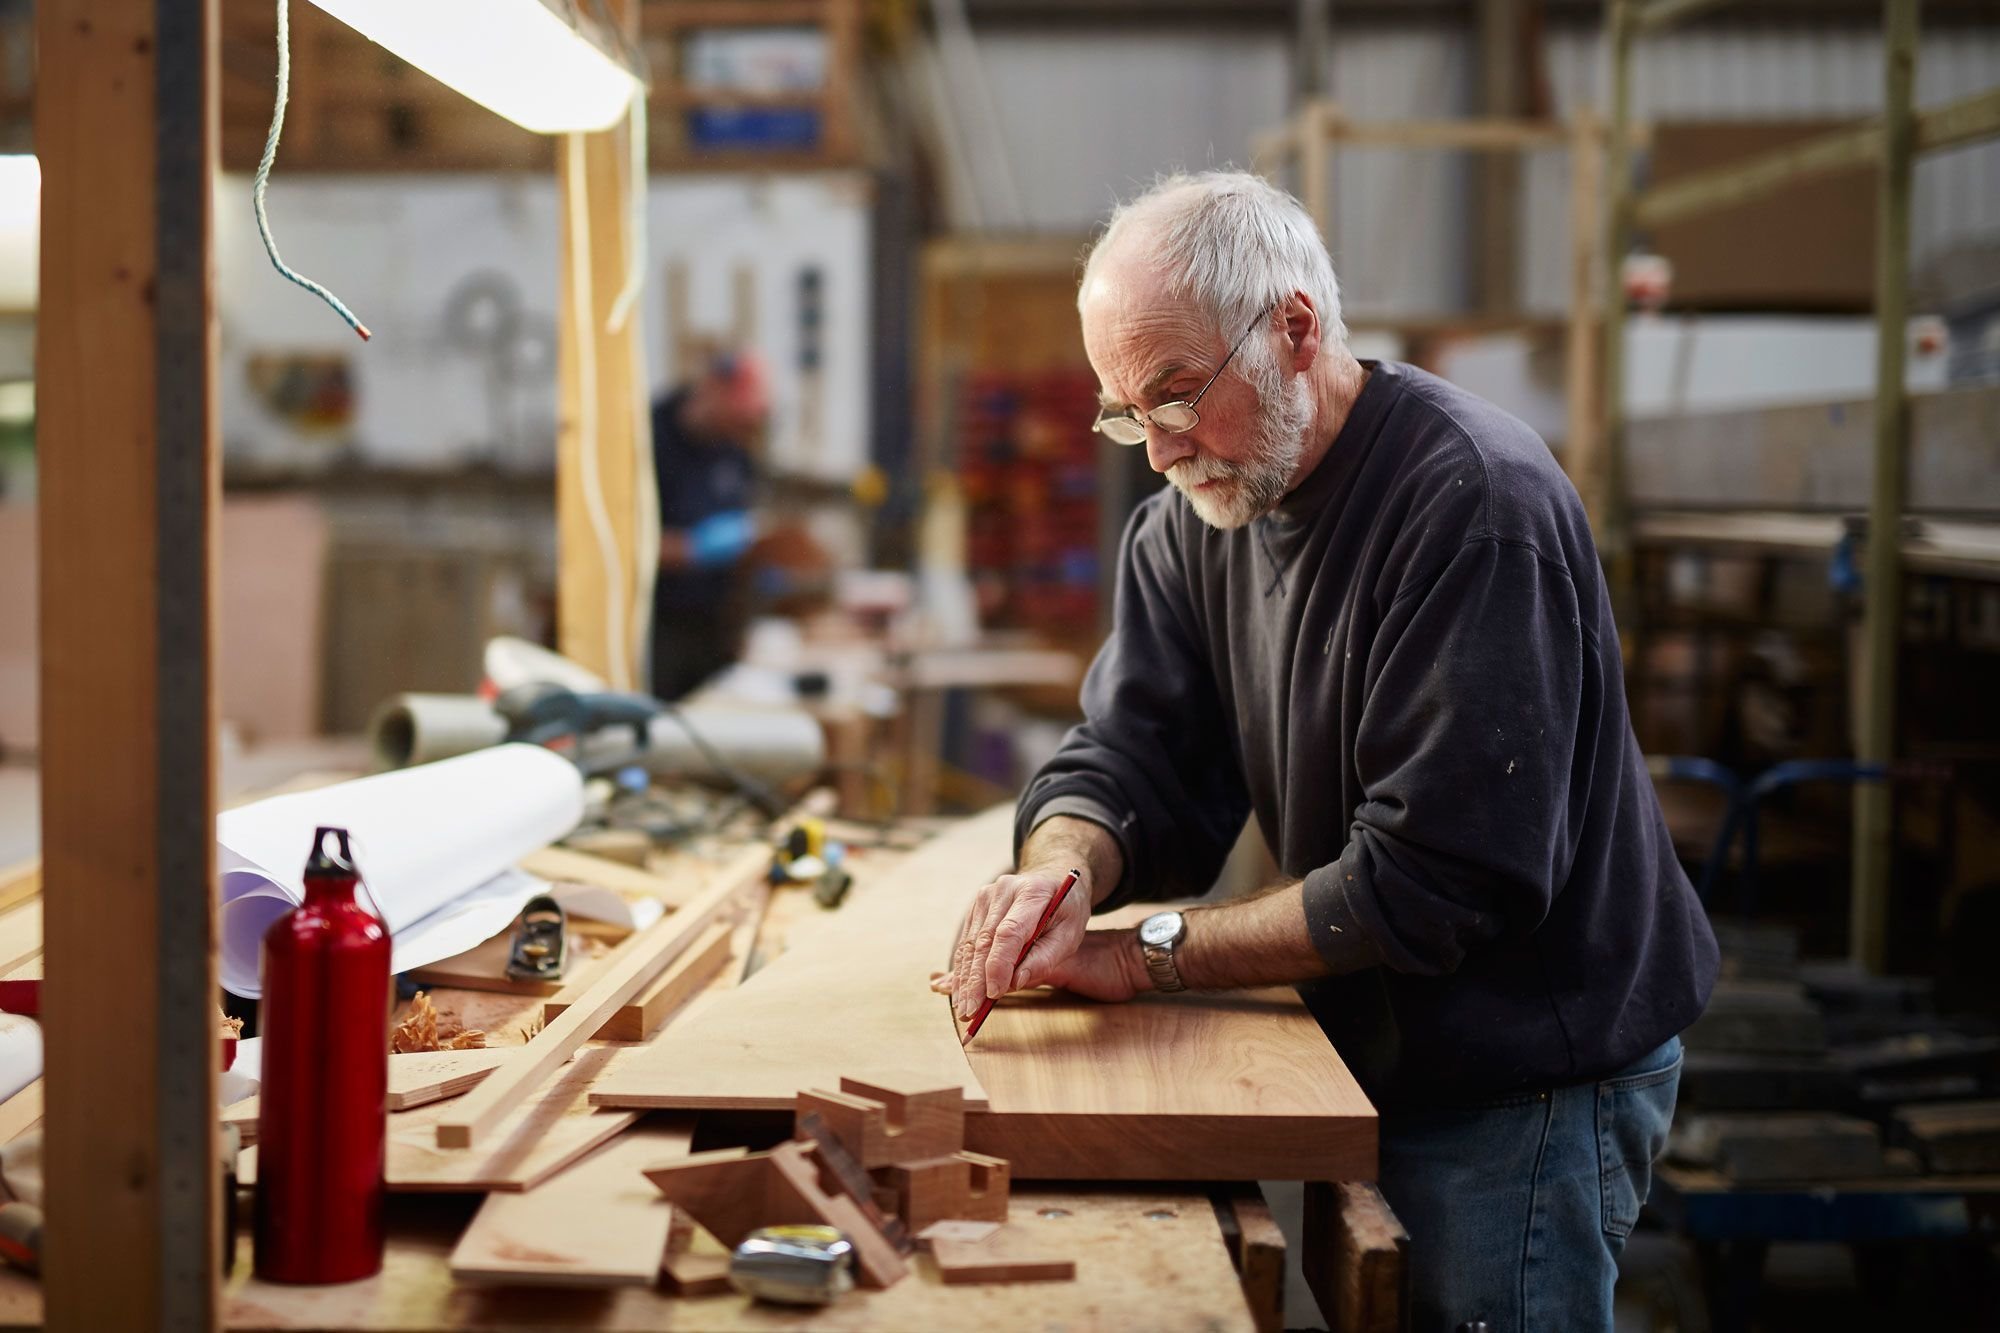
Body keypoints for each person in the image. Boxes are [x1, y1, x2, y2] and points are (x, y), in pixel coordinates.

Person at [940, 172, 1718, 1332]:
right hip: (1377, 1046)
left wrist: (1142, 951)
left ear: (1294, 330)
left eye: (1173, 395)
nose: (1154, 451)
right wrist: (1063, 869)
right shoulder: (1190, 522)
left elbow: (1429, 886)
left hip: (1527, 1074)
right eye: (1122, 412)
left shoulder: (1472, 509)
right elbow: (1129, 758)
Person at [649, 349, 769, 701]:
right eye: (738, 419)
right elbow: (619, 543)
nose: (743, 430)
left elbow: (747, 519)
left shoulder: (735, 451)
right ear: (714, 389)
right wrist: (693, 549)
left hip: (715, 624)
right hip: (660, 625)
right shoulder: (648, 438)